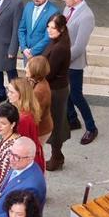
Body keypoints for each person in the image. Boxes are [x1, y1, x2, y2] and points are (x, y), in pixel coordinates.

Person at [62, 0, 99, 145]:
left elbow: (79, 46)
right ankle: (72, 120)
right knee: (65, 92)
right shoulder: (67, 9)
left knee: (76, 95)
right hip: (63, 59)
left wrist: (61, 58)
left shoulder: (86, 16)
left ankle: (91, 127)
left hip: (74, 63)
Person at [42, 13, 72, 171]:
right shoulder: (56, 41)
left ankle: (57, 157)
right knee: (55, 122)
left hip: (56, 91)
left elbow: (49, 72)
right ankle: (57, 155)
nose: (49, 30)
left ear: (61, 29)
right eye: (48, 26)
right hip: (55, 88)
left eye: (52, 28)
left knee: (56, 123)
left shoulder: (60, 47)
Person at [6, 78, 46, 173]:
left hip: (25, 161)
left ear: (21, 94)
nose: (8, 95)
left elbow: (21, 145)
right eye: (8, 91)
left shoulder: (22, 119)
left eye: (12, 92)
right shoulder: (28, 109)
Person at [18, 0, 59, 67]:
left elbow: (48, 37)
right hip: (27, 55)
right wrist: (24, 48)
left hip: (42, 56)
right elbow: (22, 29)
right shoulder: (28, 6)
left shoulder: (53, 12)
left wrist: (32, 51)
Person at [25, 56, 54, 144]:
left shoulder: (39, 91)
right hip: (43, 127)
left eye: (27, 67)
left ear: (34, 70)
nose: (25, 68)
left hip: (40, 131)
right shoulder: (37, 80)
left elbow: (34, 116)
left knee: (35, 154)